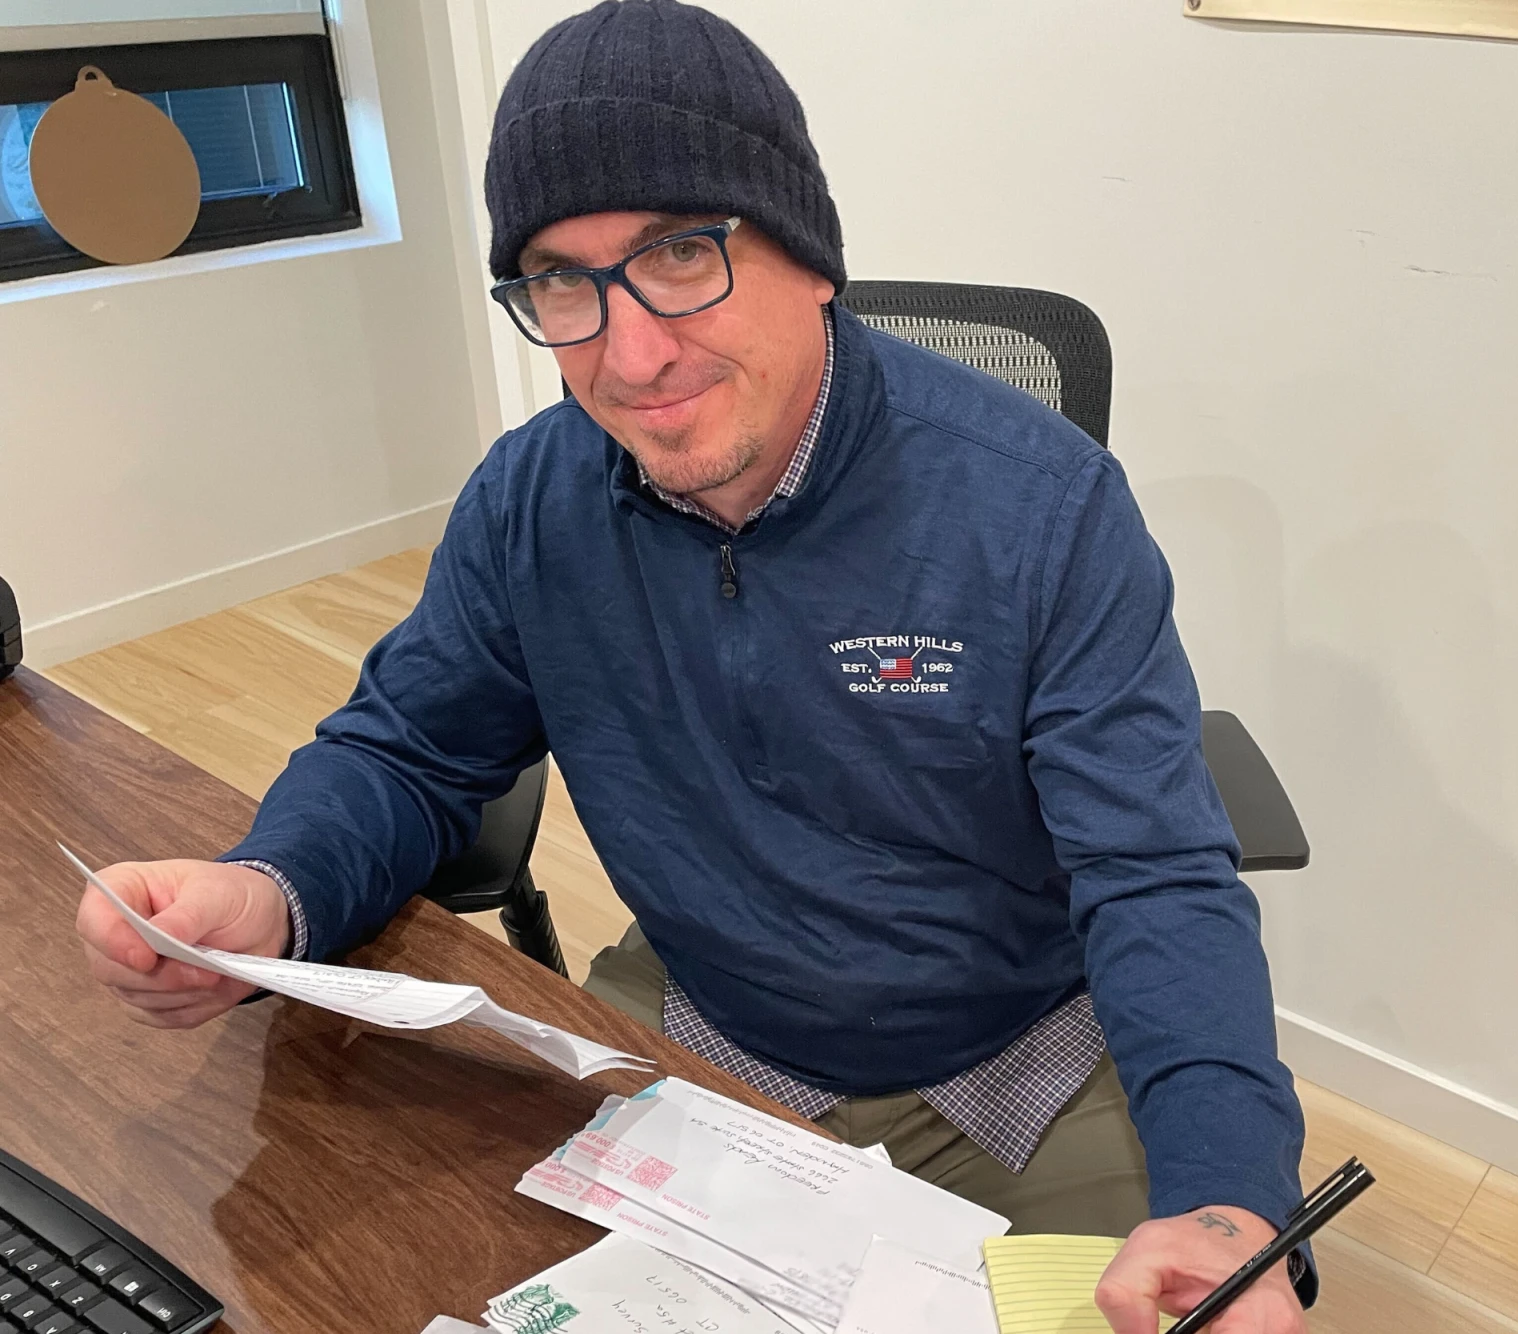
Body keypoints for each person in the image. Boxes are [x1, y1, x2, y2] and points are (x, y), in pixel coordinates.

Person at [72, 3, 1311, 1329]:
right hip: (707, 1029)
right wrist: (273, 883)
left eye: (679, 251)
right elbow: (409, 749)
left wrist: (1226, 1194)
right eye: (564, 280)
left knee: (1196, 1296)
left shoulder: (1039, 507)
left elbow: (1157, 874)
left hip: (1013, 1058)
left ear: (812, 256)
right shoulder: (532, 502)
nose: (633, 351)